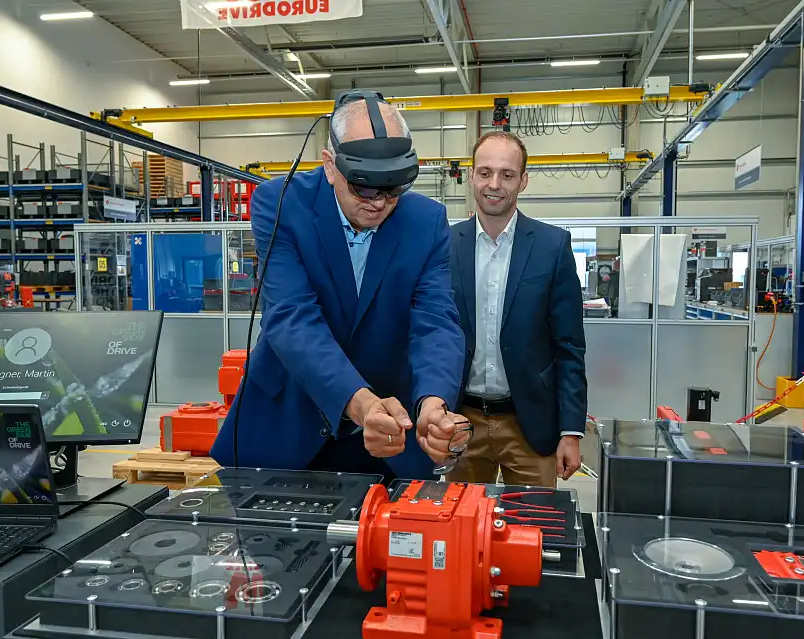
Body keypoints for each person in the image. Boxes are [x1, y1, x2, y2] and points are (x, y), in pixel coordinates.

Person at [211, 90, 466, 481]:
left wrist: (433, 401)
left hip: (389, 437)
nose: (378, 203)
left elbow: (436, 322)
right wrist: (361, 405)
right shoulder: (279, 203)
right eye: (364, 187)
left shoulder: (427, 221)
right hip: (287, 423)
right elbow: (291, 317)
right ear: (331, 166)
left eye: (393, 188)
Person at [448, 131, 587, 488]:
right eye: (485, 172)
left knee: (533, 531)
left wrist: (571, 431)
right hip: (460, 422)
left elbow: (569, 347)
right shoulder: (445, 245)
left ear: (523, 181)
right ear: (472, 176)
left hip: (530, 424)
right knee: (459, 533)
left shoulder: (552, 246)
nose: (494, 184)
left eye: (507, 174)